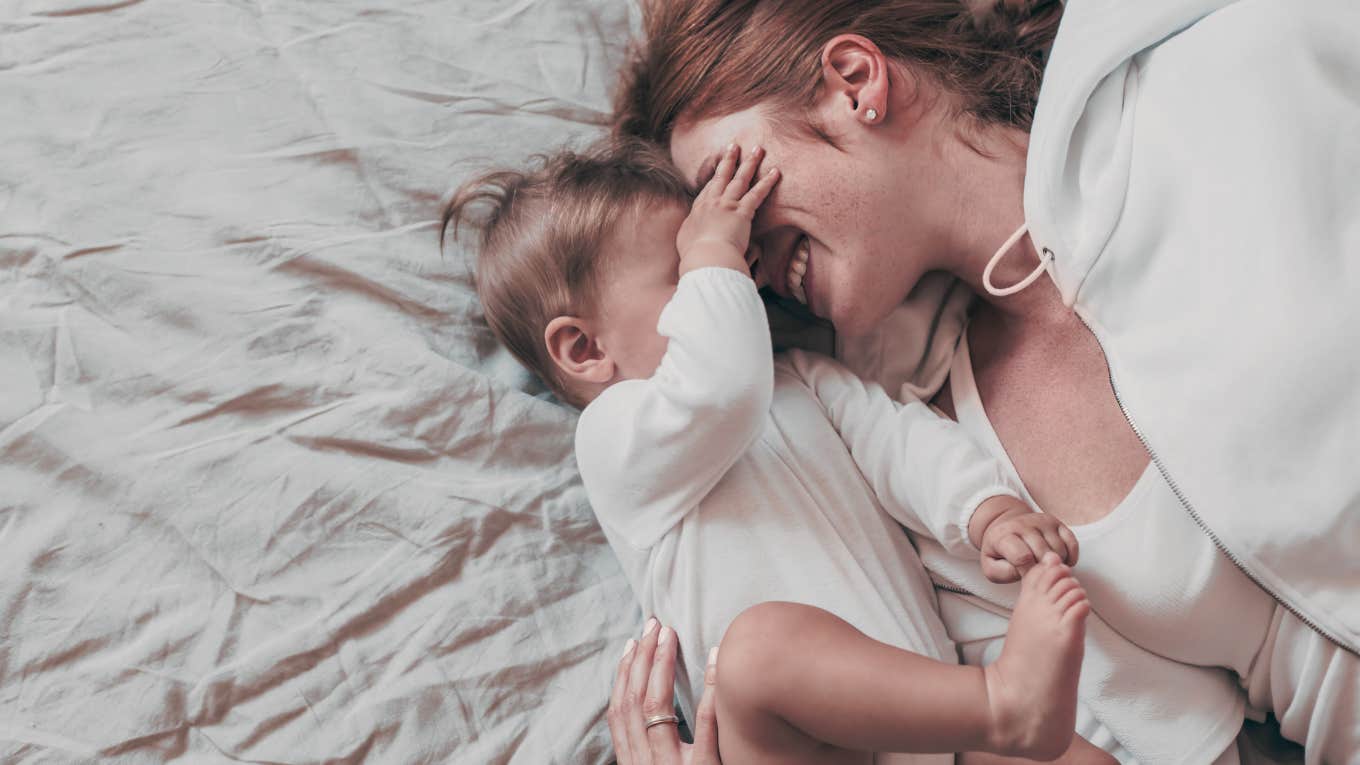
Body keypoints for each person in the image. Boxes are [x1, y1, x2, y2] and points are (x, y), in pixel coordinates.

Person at [609, 0, 1360, 762]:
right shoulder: (953, 485)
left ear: (854, 81)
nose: (744, 259)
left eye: (731, 187)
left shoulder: (1213, 76)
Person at [444, 139, 1111, 763]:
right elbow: (722, 384)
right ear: (586, 350)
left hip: (929, 730)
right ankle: (1003, 702)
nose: (736, 274)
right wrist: (714, 251)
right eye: (688, 270)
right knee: (756, 651)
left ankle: (999, 711)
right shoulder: (617, 438)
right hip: (789, 739)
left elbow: (898, 440)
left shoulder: (801, 378)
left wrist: (985, 511)